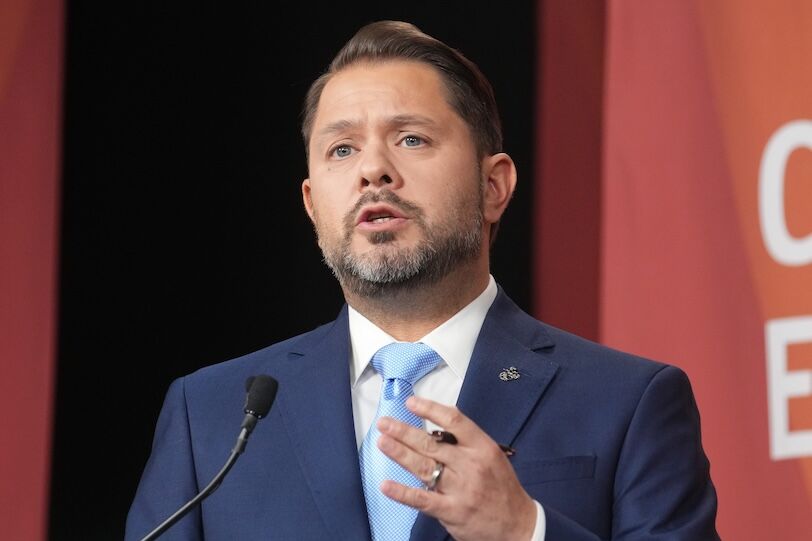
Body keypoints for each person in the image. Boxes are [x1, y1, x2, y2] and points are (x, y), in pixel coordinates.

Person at [125, 20, 719, 541]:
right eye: (340, 149)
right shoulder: (212, 417)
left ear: (494, 187)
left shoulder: (629, 402)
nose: (372, 170)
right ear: (311, 204)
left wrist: (525, 532)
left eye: (412, 139)